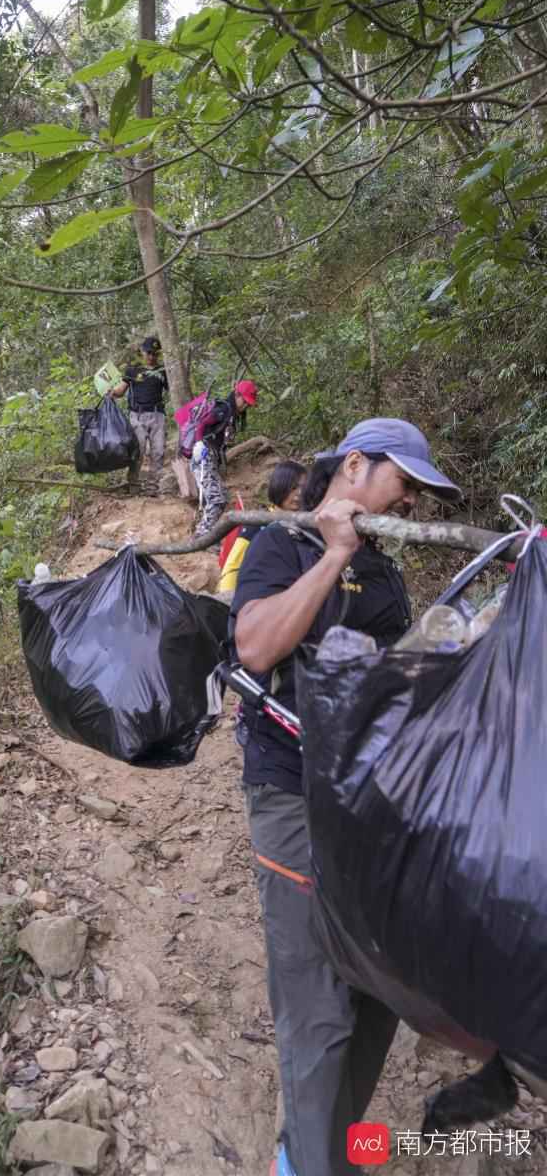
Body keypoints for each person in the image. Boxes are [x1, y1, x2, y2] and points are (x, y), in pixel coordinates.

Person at [230, 419, 462, 1176]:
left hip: (372, 805)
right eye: (405, 481)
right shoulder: (282, 546)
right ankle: (306, 1164)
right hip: (293, 798)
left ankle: (314, 1147)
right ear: (355, 467)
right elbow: (258, 647)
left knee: (380, 992)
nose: (412, 499)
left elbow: (399, 679)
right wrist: (334, 553)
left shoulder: (387, 572)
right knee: (317, 1004)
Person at [217, 460, 308, 597]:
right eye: (293, 487)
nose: (299, 493)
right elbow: (233, 568)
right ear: (280, 486)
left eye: (303, 488)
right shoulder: (257, 525)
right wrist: (227, 601)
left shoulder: (307, 526)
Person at [191, 379, 258, 537]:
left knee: (222, 496)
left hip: (212, 459)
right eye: (245, 401)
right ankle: (201, 536)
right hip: (203, 456)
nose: (246, 406)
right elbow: (201, 423)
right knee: (217, 499)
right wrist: (199, 443)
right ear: (237, 395)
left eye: (249, 403)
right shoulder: (223, 409)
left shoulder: (232, 414)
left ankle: (206, 532)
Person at [109, 336, 168, 496]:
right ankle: (133, 484)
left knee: (158, 451)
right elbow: (121, 389)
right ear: (142, 352)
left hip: (157, 415)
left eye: (155, 354)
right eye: (149, 353)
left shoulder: (163, 371)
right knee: (138, 450)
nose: (151, 357)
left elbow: (173, 389)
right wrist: (113, 392)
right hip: (137, 415)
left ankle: (152, 487)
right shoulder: (132, 370)